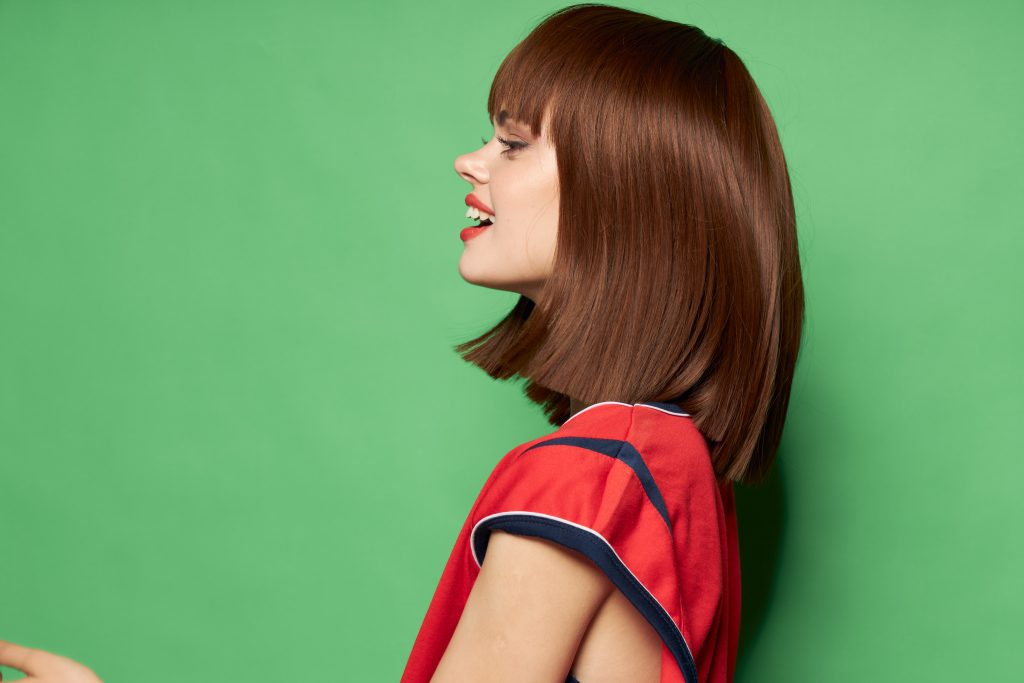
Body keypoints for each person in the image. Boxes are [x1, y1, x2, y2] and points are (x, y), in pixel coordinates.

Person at [401, 3, 804, 683]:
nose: (469, 162)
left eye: (515, 143)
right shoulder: (672, 462)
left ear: (625, 194)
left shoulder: (589, 476)